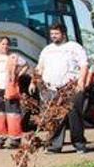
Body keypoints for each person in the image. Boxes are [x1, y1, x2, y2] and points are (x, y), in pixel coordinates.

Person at [33, 22, 89, 154]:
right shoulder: (47, 49)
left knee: (74, 116)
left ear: (63, 34)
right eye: (52, 34)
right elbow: (40, 67)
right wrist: (34, 81)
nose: (53, 36)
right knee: (54, 117)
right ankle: (54, 146)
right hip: (51, 88)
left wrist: (81, 82)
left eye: (56, 34)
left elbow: (84, 65)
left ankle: (79, 144)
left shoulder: (74, 47)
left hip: (70, 87)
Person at [0, 36, 28, 149]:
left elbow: (26, 65)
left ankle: (15, 140)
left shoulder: (14, 57)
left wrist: (18, 75)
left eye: (7, 44)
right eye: (3, 44)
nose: (5, 46)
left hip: (10, 89)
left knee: (13, 115)